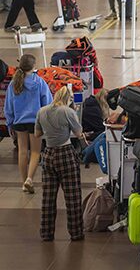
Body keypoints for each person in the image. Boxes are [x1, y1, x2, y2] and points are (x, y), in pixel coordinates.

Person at [35, 87, 85, 241]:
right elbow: (78, 133)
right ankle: (76, 233)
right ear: (68, 99)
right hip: (66, 154)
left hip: (49, 155)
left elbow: (37, 134)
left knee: (48, 198)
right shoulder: (67, 112)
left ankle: (46, 233)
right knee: (73, 197)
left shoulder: (41, 111)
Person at [4, 54, 52, 193]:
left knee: (23, 151)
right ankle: (30, 179)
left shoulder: (14, 83)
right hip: (35, 122)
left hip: (19, 122)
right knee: (36, 152)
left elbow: (8, 106)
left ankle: (23, 182)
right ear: (33, 66)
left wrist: (10, 122)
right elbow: (47, 103)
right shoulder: (39, 82)